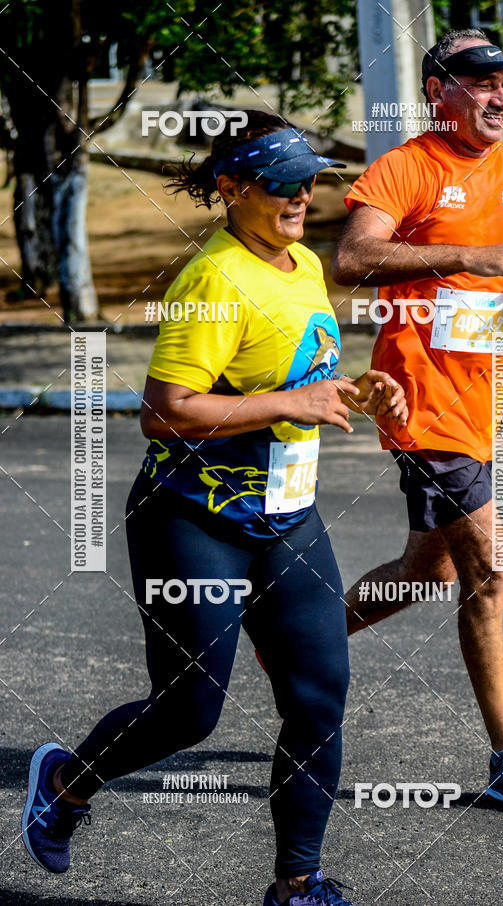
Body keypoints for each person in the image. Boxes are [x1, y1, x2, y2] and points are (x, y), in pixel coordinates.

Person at [21, 112, 408, 904]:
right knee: (189, 712)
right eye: (282, 184)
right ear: (232, 188)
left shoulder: (303, 263)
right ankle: (65, 783)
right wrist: (292, 402)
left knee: (319, 696)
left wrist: (355, 391)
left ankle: (297, 883)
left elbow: (291, 375)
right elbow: (164, 411)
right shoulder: (213, 279)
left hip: (288, 518)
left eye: (310, 181)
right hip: (194, 520)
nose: (301, 197)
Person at [332, 28, 503, 814]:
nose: (500, 95)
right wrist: (468, 256)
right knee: (491, 572)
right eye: (481, 80)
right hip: (421, 403)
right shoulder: (407, 167)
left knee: (428, 573)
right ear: (438, 89)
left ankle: (295, 636)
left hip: (481, 407)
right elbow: (352, 259)